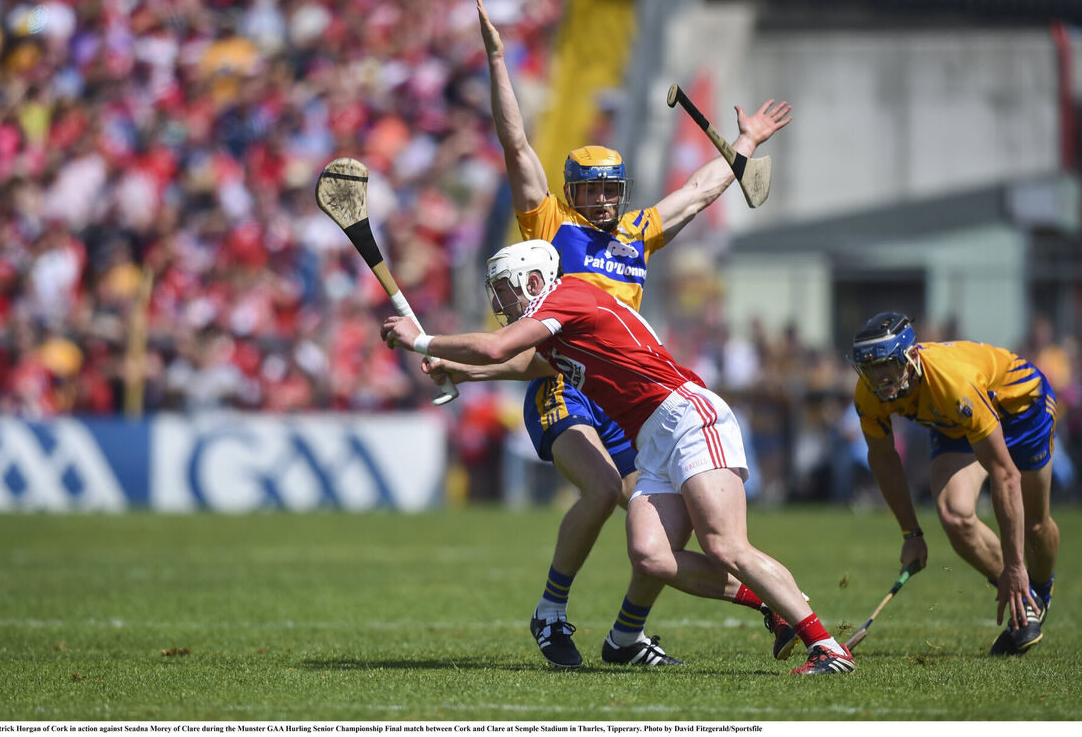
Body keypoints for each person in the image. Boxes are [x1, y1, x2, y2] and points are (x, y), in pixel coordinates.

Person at [476, 0, 795, 668]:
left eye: (609, 189)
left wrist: (746, 143)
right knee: (600, 490)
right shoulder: (549, 223)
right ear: (573, 190)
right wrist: (498, 58)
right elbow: (515, 143)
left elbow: (702, 191)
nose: (600, 199)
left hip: (631, 397)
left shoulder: (636, 235)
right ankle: (551, 611)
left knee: (655, 519)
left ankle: (626, 637)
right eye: (589, 189)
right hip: (565, 389)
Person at [382, 239, 855, 675]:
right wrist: (464, 372)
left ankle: (827, 647)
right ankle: (774, 603)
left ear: (532, 280)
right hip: (654, 438)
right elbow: (535, 363)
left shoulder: (568, 292)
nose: (498, 303)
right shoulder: (562, 327)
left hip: (687, 416)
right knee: (651, 557)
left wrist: (420, 339)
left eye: (504, 290)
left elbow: (498, 346)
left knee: (725, 545)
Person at [849, 311, 1061, 655]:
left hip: (1021, 408)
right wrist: (911, 535)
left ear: (912, 356)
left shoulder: (952, 382)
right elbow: (884, 459)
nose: (879, 377)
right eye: (870, 368)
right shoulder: (869, 394)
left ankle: (1038, 587)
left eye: (887, 364)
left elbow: (1005, 475)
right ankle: (1029, 605)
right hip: (957, 421)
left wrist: (1015, 565)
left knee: (1036, 525)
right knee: (954, 515)